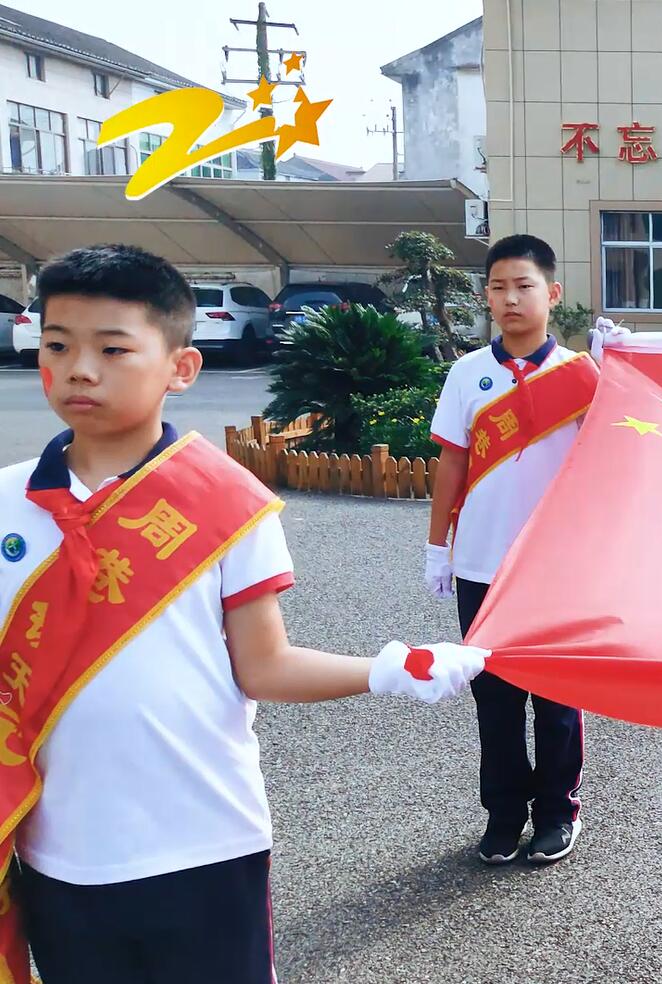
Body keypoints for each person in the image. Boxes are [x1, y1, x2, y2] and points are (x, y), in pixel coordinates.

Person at [0, 244, 481, 984]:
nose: (79, 369)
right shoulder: (6, 503)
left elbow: (264, 665)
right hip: (58, 850)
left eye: (113, 348)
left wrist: (389, 670)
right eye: (58, 345)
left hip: (204, 841)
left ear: (180, 368)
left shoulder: (227, 504)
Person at [425, 234, 600, 866]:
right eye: (498, 287)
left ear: (552, 294)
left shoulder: (582, 375)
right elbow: (452, 461)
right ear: (486, 297)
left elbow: (615, 459)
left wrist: (619, 368)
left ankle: (557, 812)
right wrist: (436, 547)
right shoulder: (466, 373)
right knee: (494, 701)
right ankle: (504, 814)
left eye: (524, 286)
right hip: (480, 563)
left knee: (557, 698)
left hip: (557, 567)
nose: (510, 299)